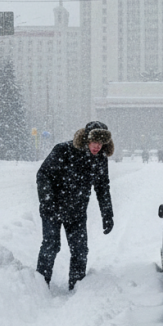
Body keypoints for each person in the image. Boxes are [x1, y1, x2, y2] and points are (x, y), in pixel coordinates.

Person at [36, 121, 115, 290]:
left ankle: (77, 288)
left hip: (77, 212)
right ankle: (40, 286)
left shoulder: (100, 159)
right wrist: (47, 200)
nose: (97, 147)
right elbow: (43, 174)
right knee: (51, 246)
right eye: (94, 142)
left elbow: (102, 188)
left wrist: (107, 214)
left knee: (80, 251)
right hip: (53, 208)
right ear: (86, 139)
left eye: (101, 144)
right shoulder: (63, 150)